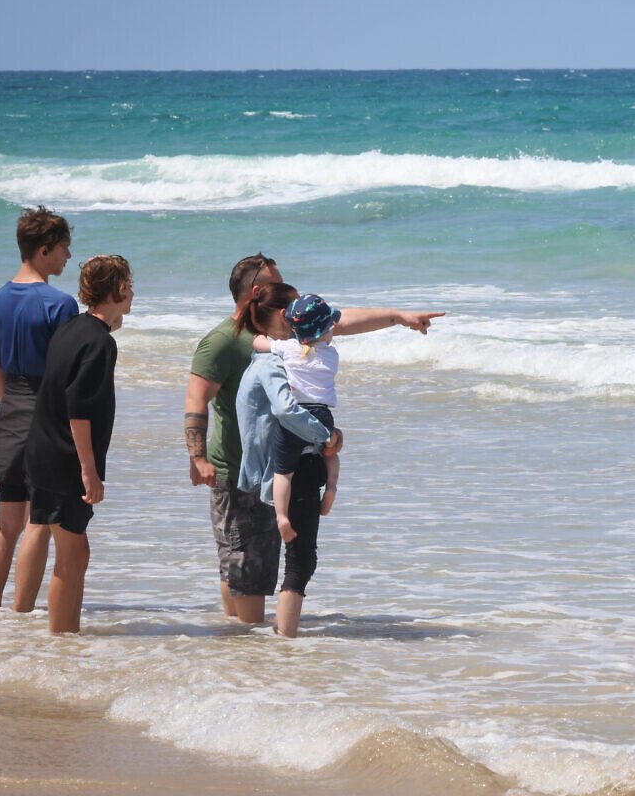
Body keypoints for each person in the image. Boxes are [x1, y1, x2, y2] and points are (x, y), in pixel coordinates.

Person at [185, 253, 443, 626]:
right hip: (238, 471)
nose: (293, 299)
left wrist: (400, 317)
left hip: (278, 468)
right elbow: (196, 399)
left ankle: (237, 646)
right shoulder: (225, 342)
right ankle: (245, 649)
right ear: (258, 292)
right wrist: (197, 457)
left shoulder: (292, 334)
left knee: (246, 570)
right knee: (244, 571)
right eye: (280, 286)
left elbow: (342, 320)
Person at [0, 205, 77, 611]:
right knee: (40, 521)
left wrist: (12, 405)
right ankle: (21, 614)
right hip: (46, 412)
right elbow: (65, 372)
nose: (69, 255)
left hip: (10, 409)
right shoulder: (60, 304)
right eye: (64, 247)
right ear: (44, 249)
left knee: (6, 523)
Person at [24, 255, 133, 634]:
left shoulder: (72, 328)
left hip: (43, 452)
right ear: (117, 289)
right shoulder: (100, 343)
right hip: (64, 461)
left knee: (75, 553)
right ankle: (61, 639)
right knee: (72, 556)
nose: (133, 293)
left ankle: (65, 637)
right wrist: (89, 472)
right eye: (129, 286)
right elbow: (79, 410)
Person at [236, 283, 339, 638]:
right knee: (301, 561)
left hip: (282, 457)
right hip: (310, 448)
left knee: (289, 556)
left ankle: (282, 636)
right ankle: (286, 642)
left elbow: (262, 344)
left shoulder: (275, 355)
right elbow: (287, 410)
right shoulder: (320, 357)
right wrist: (326, 436)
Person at [251, 293, 343, 546]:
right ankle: (331, 487)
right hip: (321, 415)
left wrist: (257, 336)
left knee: (283, 472)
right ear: (324, 330)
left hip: (293, 415)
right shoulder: (332, 355)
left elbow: (260, 344)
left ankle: (281, 516)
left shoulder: (287, 349)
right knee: (330, 453)